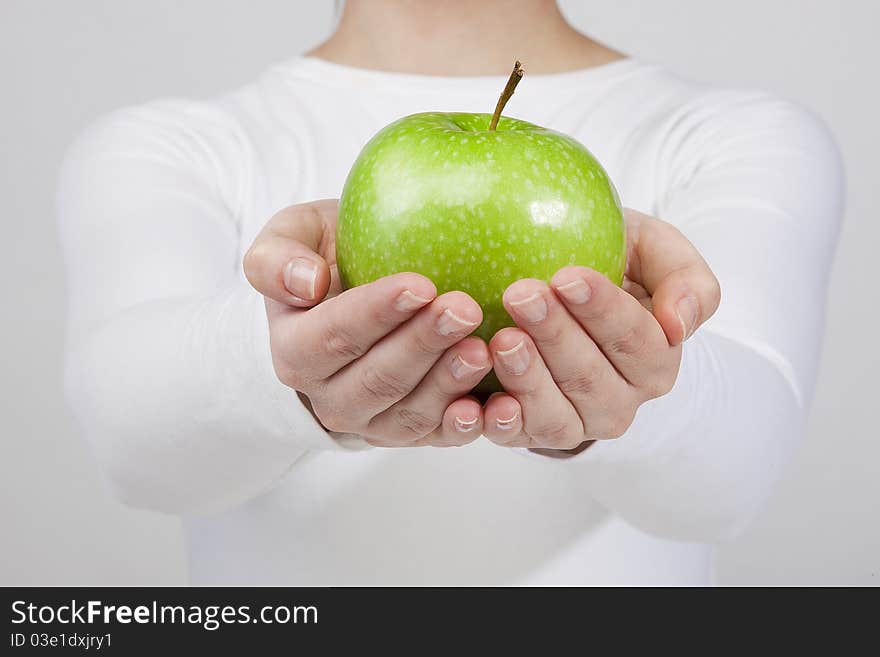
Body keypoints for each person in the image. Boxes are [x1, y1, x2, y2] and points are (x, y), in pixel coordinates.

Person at [57, 0, 843, 585]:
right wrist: (292, 367)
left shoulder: (732, 134)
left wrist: (641, 371)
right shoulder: (171, 144)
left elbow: (734, 477)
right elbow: (130, 439)